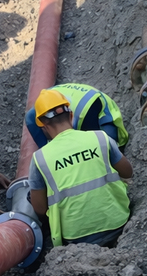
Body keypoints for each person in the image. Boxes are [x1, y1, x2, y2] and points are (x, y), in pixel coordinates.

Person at [28, 89, 133, 248]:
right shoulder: (100, 137)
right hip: (119, 222)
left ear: (43, 125)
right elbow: (128, 172)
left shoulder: (39, 159)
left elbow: (40, 208)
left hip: (77, 238)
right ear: (71, 115)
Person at [24, 81, 128, 150]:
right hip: (86, 103)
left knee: (106, 147)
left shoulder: (86, 116)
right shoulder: (43, 105)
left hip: (98, 114)